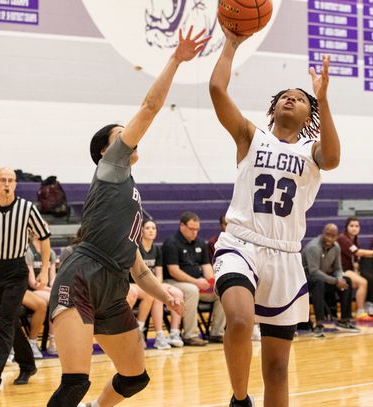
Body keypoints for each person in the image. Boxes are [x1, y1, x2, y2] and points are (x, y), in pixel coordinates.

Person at [46, 28, 207, 407]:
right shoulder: (110, 166)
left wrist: (163, 293)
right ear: (107, 150)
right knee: (74, 382)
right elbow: (150, 109)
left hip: (114, 284)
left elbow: (139, 269)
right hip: (83, 277)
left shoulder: (128, 192)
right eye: (122, 135)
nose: (131, 138)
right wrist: (176, 60)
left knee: (134, 378)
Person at [209, 23, 341, 406]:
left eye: (299, 99)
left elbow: (333, 159)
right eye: (284, 96)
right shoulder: (251, 137)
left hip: (285, 255)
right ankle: (239, 398)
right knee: (238, 319)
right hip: (241, 244)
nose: (290, 99)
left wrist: (323, 97)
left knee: (279, 371)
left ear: (308, 117)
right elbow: (217, 90)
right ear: (273, 109)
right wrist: (231, 44)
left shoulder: (312, 153)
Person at [0, 167, 51, 394]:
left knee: (4, 320)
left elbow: (44, 237)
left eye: (10, 180)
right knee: (11, 321)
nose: (6, 183)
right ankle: (27, 365)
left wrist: (44, 270)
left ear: (15, 184)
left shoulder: (27, 208)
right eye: (2, 180)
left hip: (16, 270)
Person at [162, 211, 226, 346]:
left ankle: (217, 332)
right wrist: (196, 282)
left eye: (197, 229)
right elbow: (174, 271)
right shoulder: (171, 243)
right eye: (191, 229)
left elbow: (206, 266)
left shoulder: (200, 243)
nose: (194, 232)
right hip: (174, 283)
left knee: (222, 291)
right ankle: (190, 335)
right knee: (191, 290)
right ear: (182, 226)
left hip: (196, 283)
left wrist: (211, 280)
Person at [302, 224, 359, 337]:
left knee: (347, 280)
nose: (330, 238)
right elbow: (314, 272)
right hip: (306, 280)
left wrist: (339, 279)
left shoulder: (336, 247)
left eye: (333, 236)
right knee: (318, 283)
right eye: (327, 235)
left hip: (323, 278)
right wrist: (335, 281)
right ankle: (319, 324)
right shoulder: (314, 247)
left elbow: (338, 268)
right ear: (323, 233)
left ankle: (344, 320)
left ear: (336, 236)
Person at [136, 219, 184, 350]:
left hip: (153, 283)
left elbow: (159, 274)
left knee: (178, 293)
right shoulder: (137, 249)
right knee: (157, 295)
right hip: (138, 284)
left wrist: (156, 285)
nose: (151, 230)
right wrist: (155, 288)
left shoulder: (157, 250)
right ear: (141, 231)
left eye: (153, 228)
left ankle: (174, 333)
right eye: (147, 228)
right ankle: (159, 335)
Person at [337, 217, 373, 322]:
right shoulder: (342, 238)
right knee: (363, 283)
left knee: (363, 281)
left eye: (357, 226)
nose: (354, 228)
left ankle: (361, 309)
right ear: (346, 227)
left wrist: (357, 270)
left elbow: (356, 260)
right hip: (340, 270)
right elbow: (357, 252)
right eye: (351, 226)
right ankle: (360, 312)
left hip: (349, 270)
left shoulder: (355, 240)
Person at [25, 228, 58, 355]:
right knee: (55, 298)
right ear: (34, 231)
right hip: (31, 291)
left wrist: (53, 289)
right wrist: (53, 291)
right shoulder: (28, 251)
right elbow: (32, 283)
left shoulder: (51, 253)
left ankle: (53, 341)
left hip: (46, 290)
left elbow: (53, 279)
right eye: (43, 226)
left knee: (61, 299)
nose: (46, 229)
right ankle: (50, 340)